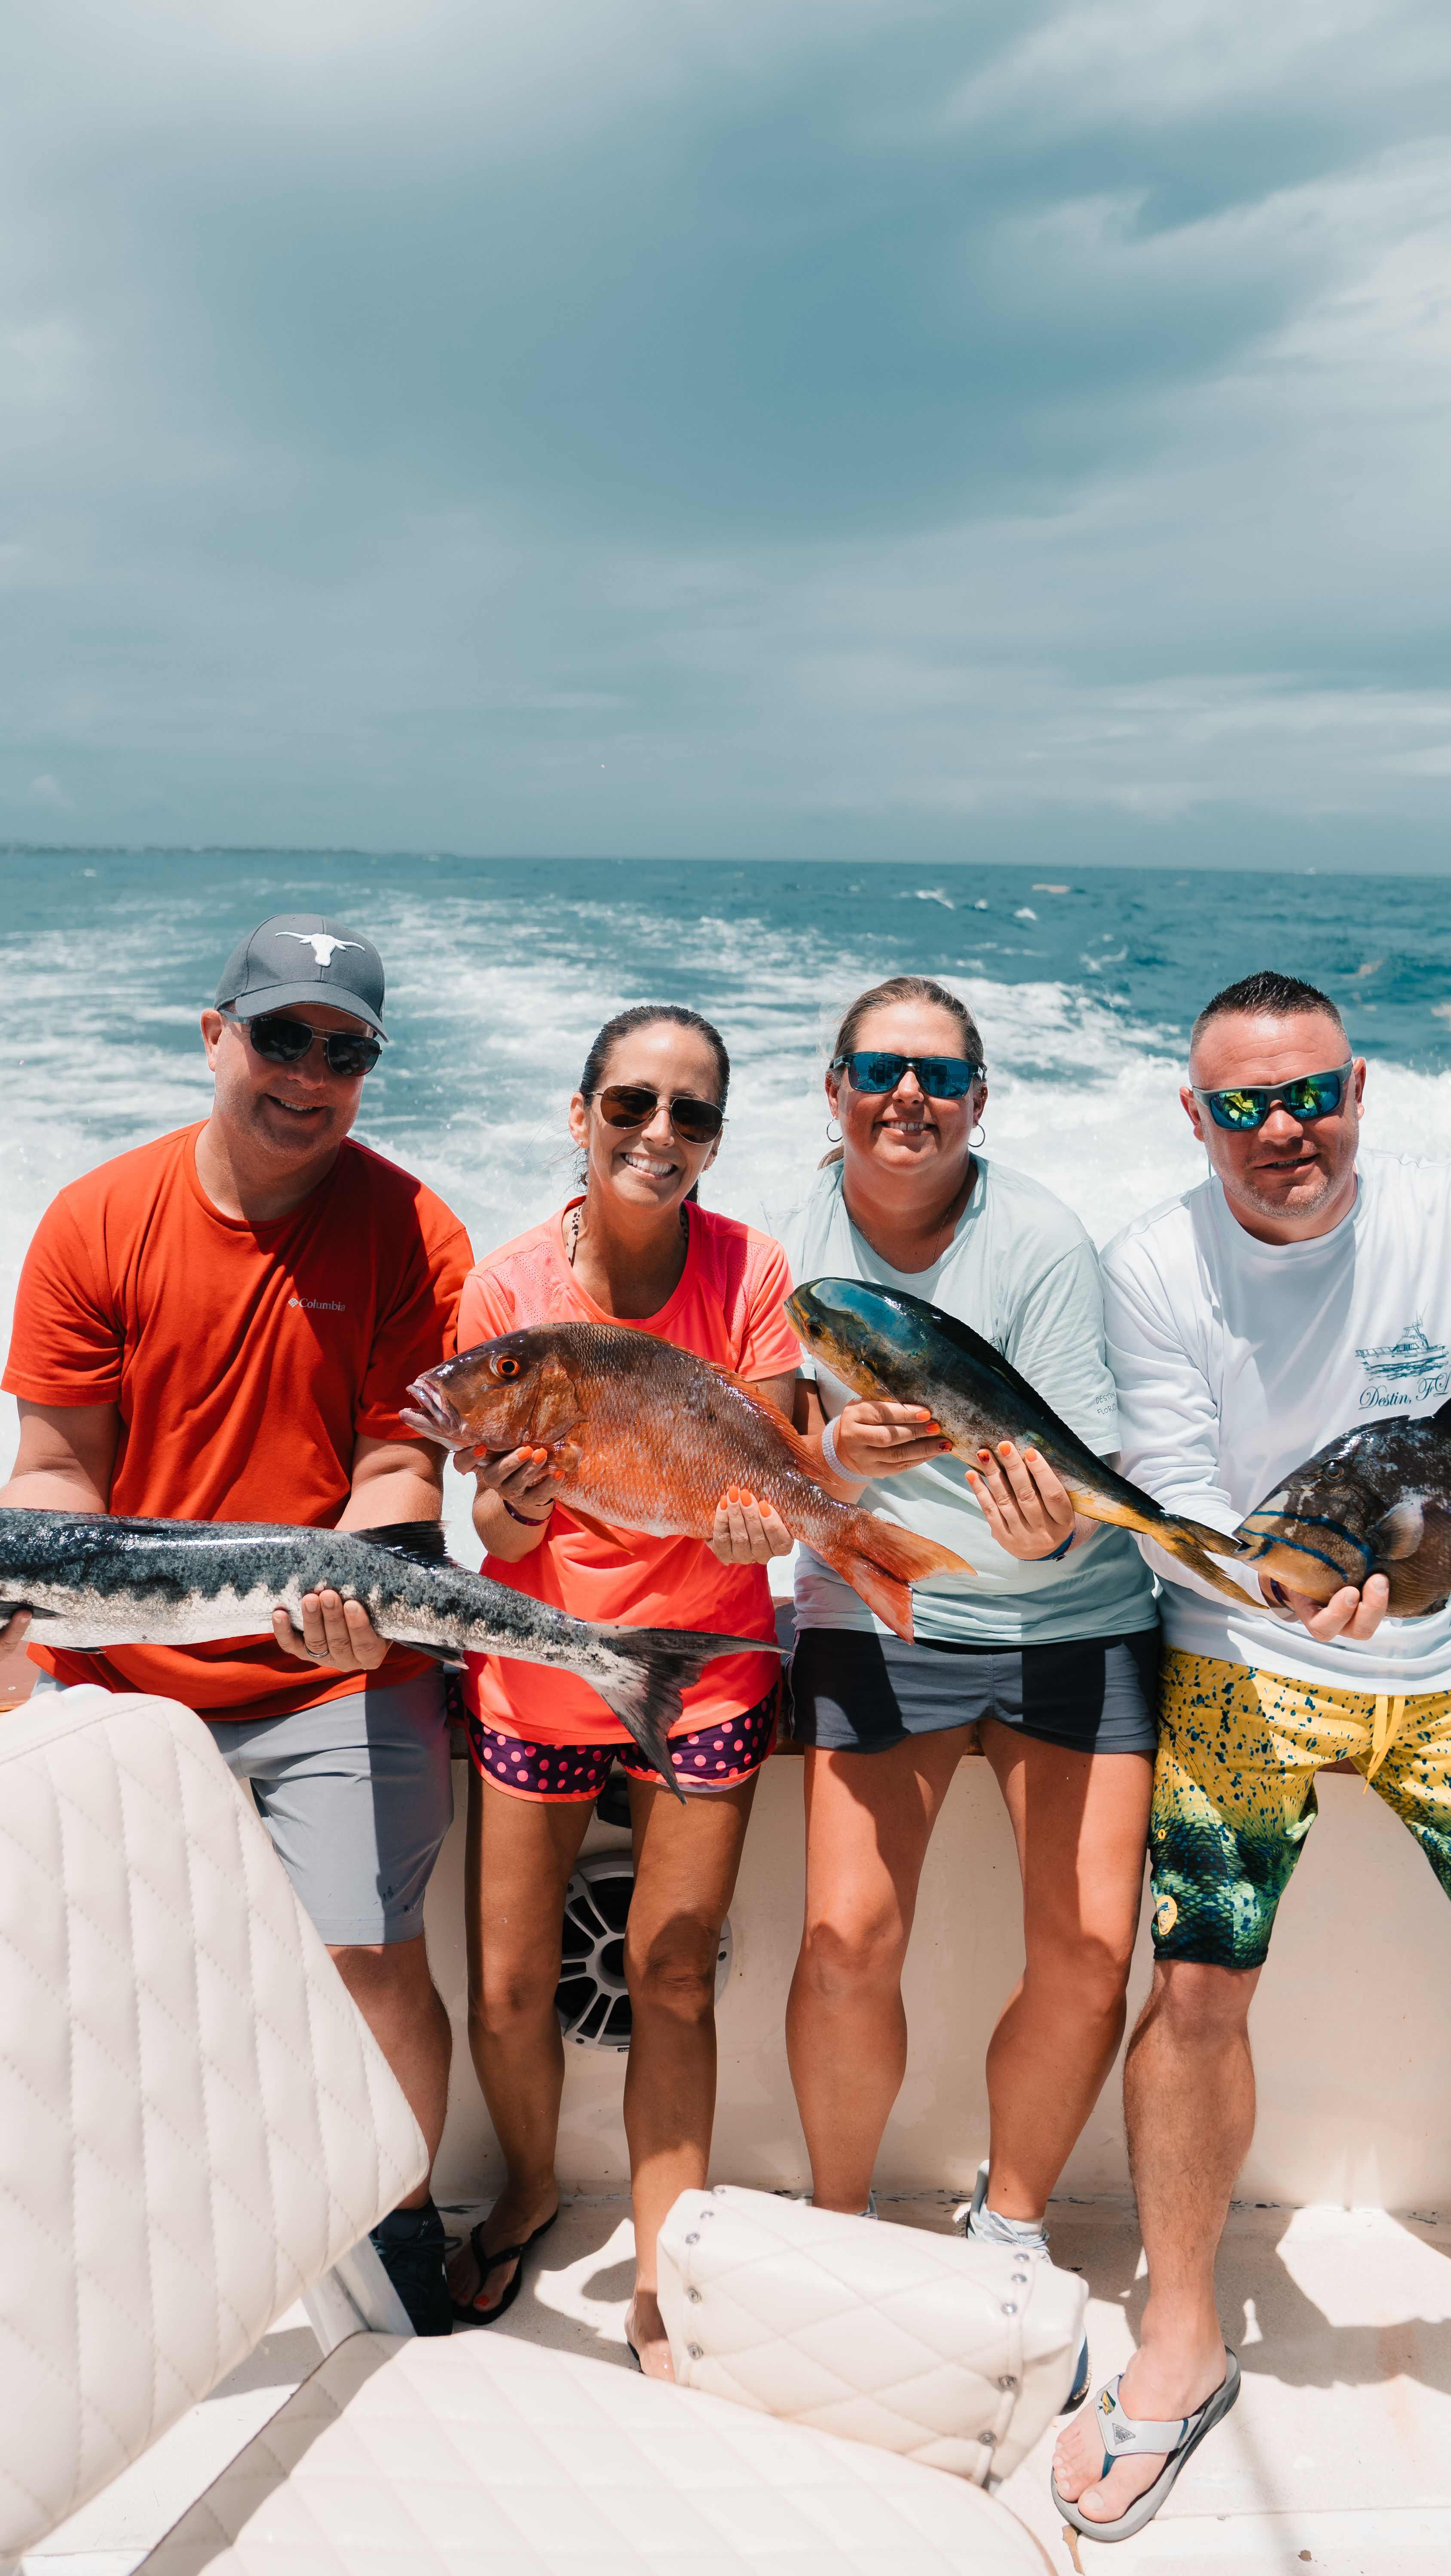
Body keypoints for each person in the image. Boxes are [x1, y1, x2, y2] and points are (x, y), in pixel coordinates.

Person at [0, 914, 472, 2335]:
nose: (308, 1073)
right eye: (281, 1036)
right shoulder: (96, 1219)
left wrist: (366, 1593)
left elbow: (402, 1468)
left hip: (332, 1664)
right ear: (215, 1036)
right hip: (119, 1673)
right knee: (99, 1985)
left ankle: (401, 2235)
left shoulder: (411, 1230)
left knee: (369, 1959)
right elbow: (55, 1473)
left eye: (345, 1051)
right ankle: (127, 2249)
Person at [1052, 968, 1451, 2540]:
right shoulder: (1156, 1266)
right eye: (1244, 1105)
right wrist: (1305, 1591)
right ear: (1195, 1113)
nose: (1284, 1130)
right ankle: (1180, 2334)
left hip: (1443, 1654)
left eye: (1312, 1095)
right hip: (1241, 1658)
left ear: (1359, 1091)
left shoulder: (1436, 1224)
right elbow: (1181, 1507)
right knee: (1199, 1987)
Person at [776, 973, 1159, 2380]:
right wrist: (830, 1461)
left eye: (941, 1077)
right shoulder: (786, 1240)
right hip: (883, 1614)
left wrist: (1048, 1521)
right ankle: (834, 2221)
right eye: (881, 1070)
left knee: (1092, 1951)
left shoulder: (1045, 1239)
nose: (909, 1097)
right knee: (842, 1943)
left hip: (1075, 1616)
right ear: (836, 1090)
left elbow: (1072, 1465)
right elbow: (772, 1453)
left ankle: (1011, 2223)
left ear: (980, 1101)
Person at [443, 1003, 799, 2373]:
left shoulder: (751, 1267)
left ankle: (667, 2262)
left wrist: (764, 1523)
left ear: (713, 1140)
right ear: (580, 1115)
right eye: (632, 1105)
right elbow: (501, 1539)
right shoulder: (512, 1292)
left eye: (691, 1114)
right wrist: (515, 1518)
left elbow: (755, 1463)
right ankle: (531, 2190)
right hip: (543, 1662)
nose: (659, 1133)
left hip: (706, 1660)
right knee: (510, 1984)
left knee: (673, 1974)